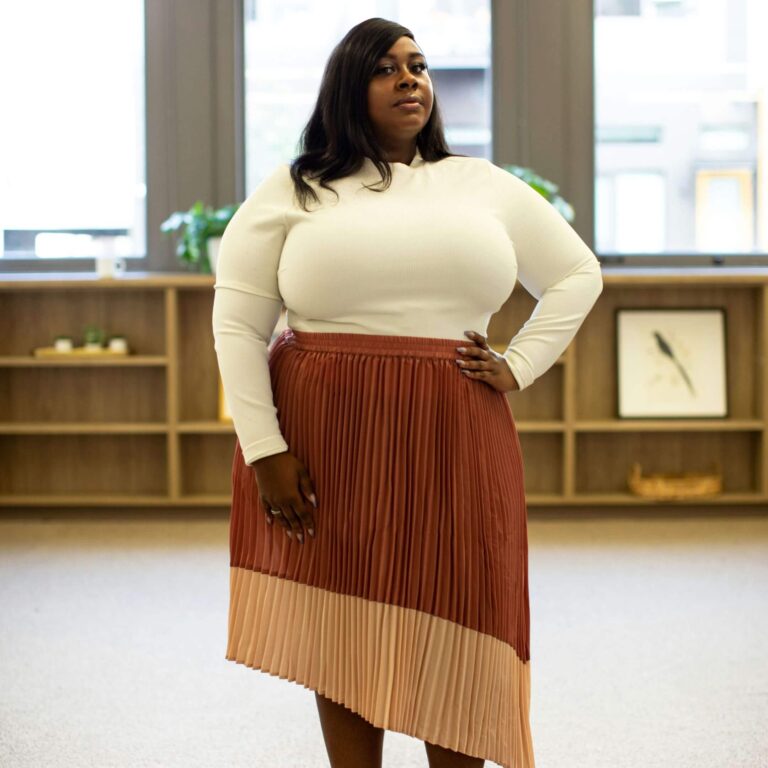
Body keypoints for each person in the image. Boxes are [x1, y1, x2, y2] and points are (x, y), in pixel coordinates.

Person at [212, 16, 602, 768]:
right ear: (348, 88)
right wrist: (264, 449)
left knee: (463, 605)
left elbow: (577, 273)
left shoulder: (480, 183)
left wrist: (521, 363)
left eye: (419, 65)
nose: (411, 78)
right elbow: (237, 325)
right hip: (326, 430)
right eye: (387, 67)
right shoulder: (295, 191)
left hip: (455, 426)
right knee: (347, 620)